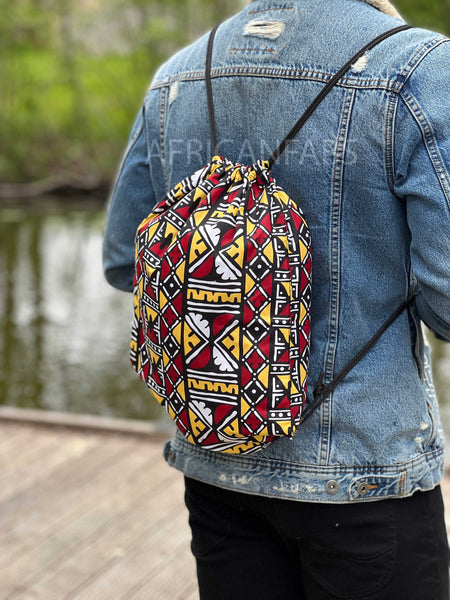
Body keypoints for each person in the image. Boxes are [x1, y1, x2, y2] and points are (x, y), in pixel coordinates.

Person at [103, 0, 450, 597]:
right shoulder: (418, 67)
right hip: (361, 476)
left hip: (216, 467)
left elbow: (123, 261)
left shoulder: (179, 74)